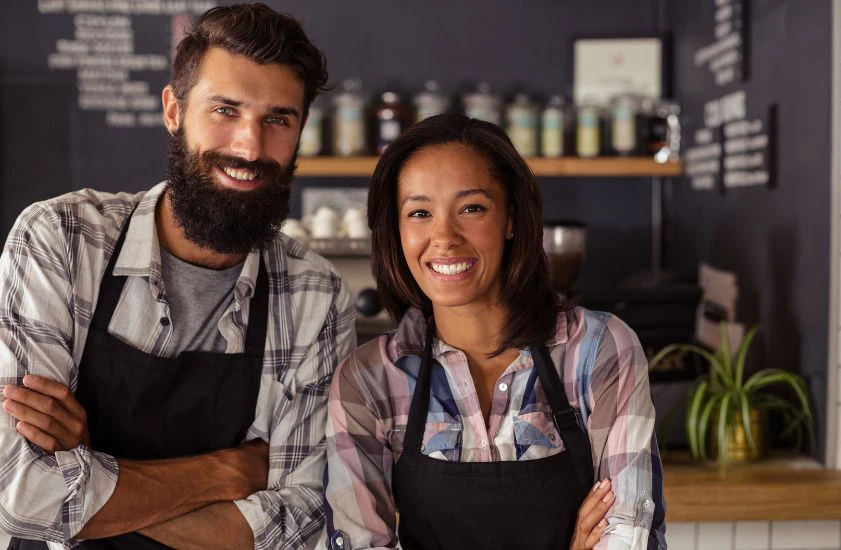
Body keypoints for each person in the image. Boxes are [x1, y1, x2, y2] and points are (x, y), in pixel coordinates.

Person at [0, 4, 354, 549]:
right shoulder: (62, 241)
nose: (249, 147)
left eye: (278, 119)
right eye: (225, 110)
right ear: (174, 109)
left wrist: (90, 469)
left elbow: (297, 524)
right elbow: (19, 495)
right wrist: (223, 474)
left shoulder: (316, 296)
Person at [324, 114, 666, 550]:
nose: (443, 237)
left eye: (472, 208)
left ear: (510, 219)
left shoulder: (598, 350)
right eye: (419, 212)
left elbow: (629, 538)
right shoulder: (368, 380)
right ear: (396, 230)